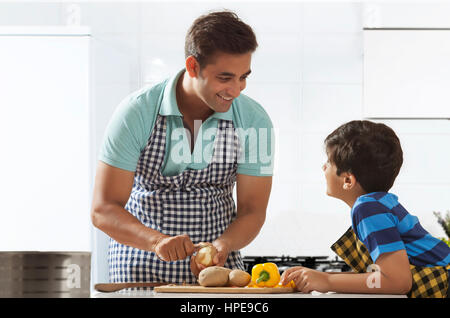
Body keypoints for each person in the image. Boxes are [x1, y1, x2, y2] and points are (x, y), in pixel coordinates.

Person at [90, 11, 274, 284]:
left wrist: (223, 244)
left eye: (243, 77)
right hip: (139, 272)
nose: (236, 90)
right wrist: (156, 242)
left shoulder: (255, 120)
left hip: (217, 278)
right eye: (225, 78)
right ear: (192, 67)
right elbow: (103, 209)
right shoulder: (137, 112)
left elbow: (252, 210)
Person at [281, 120, 450, 297]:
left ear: (347, 180)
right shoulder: (379, 204)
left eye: (329, 162)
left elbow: (398, 282)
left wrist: (327, 281)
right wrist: (321, 277)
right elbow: (379, 277)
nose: (323, 167)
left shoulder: (367, 208)